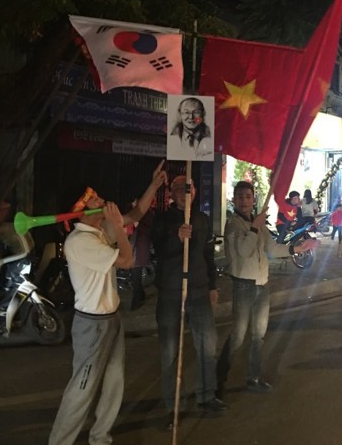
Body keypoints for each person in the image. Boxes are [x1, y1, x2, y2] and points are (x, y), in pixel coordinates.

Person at [49, 162, 166, 445]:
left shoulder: (99, 231)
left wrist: (153, 186)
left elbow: (136, 213)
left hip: (111, 319)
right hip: (92, 325)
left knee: (114, 382)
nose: (103, 201)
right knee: (83, 387)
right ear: (82, 211)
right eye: (96, 201)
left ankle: (101, 437)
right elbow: (127, 261)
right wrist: (116, 226)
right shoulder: (79, 241)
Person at [216, 181, 318, 399]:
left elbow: (272, 249)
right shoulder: (233, 225)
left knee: (258, 336)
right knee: (238, 336)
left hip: (262, 284)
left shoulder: (258, 224)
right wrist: (254, 227)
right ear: (235, 200)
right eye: (240, 196)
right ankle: (218, 382)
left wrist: (299, 248)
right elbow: (244, 252)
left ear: (254, 199)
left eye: (248, 196)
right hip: (243, 285)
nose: (244, 200)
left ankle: (253, 378)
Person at [151, 175, 225, 428]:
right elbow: (157, 251)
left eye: (189, 188)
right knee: (171, 351)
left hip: (199, 290)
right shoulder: (162, 219)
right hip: (171, 291)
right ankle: (174, 406)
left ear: (195, 193)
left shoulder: (201, 219)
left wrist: (212, 285)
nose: (185, 192)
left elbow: (208, 254)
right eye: (180, 188)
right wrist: (176, 238)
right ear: (171, 193)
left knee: (207, 345)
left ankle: (207, 395)